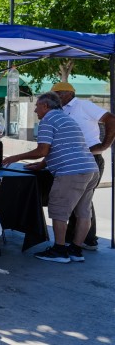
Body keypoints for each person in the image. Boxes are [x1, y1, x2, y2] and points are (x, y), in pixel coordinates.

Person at [3, 92, 99, 263]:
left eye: (37, 106)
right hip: (90, 168)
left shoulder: (48, 120)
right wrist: (41, 165)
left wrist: (14, 158)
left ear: (45, 106)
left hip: (71, 171)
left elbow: (42, 150)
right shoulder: (66, 119)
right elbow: (60, 147)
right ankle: (76, 250)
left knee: (59, 211)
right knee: (83, 213)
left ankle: (59, 250)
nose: (35, 110)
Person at [52, 81, 115, 250]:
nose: (55, 99)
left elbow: (110, 119)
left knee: (82, 201)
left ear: (67, 93)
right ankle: (75, 240)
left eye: (56, 95)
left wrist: (104, 146)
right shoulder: (59, 110)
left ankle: (87, 240)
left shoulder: (83, 105)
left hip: (90, 158)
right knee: (76, 201)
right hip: (69, 160)